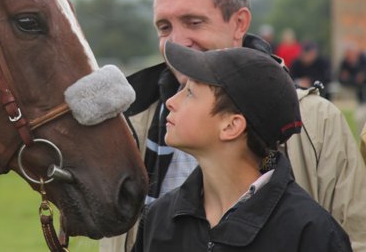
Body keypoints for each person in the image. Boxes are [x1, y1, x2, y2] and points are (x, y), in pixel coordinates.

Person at [99, 0, 366, 252]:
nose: (176, 41)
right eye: (164, 27)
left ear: (239, 23)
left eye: (193, 22)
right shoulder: (131, 125)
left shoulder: (317, 122)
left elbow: (354, 238)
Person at [132, 42, 352, 251]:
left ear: (231, 126)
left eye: (190, 93)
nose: (171, 101)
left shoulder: (311, 233)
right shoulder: (157, 219)